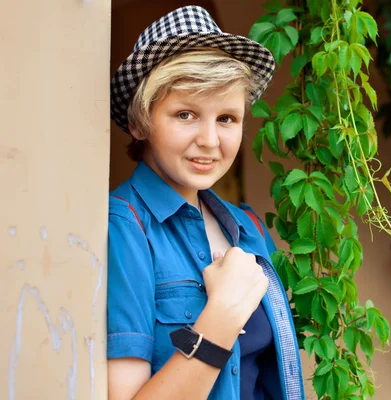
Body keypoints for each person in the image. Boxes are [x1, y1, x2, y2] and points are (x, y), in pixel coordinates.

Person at [107, 6, 305, 400]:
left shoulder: (247, 225)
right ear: (140, 121)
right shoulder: (123, 225)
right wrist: (221, 317)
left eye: (227, 118)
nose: (210, 141)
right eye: (186, 114)